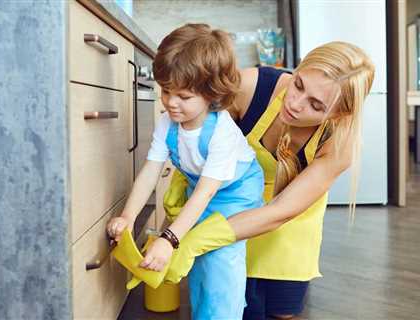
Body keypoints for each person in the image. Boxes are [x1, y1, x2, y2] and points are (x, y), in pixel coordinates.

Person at [162, 41, 375, 320]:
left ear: (339, 114)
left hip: (286, 229)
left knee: (280, 312)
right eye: (298, 85)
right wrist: (183, 185)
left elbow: (279, 212)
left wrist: (195, 240)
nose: (295, 104)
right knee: (222, 305)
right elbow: (196, 133)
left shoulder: (339, 145)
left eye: (316, 105)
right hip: (225, 210)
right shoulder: (250, 88)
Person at [106, 23, 264, 320]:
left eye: (184, 97)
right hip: (201, 191)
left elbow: (206, 193)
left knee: (220, 264)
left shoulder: (222, 133)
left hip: (235, 197)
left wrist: (169, 238)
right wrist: (127, 217)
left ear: (212, 94)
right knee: (198, 261)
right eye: (165, 91)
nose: (171, 103)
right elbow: (150, 172)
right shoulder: (168, 123)